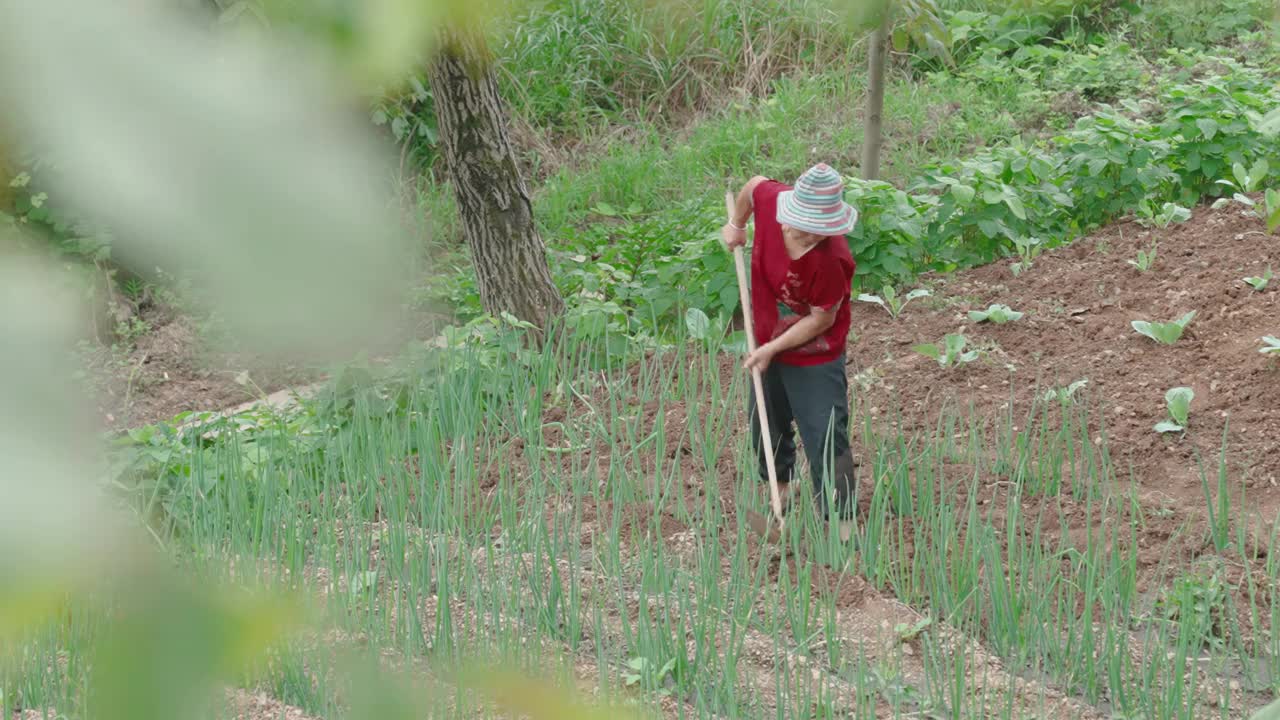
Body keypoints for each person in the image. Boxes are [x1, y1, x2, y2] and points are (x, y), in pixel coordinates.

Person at [721, 162, 860, 542]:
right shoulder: (772, 201)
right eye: (811, 228)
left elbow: (821, 320)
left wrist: (772, 348)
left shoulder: (833, 258)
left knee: (826, 433)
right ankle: (781, 493)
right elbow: (752, 185)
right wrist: (736, 225)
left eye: (825, 229)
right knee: (765, 418)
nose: (818, 236)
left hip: (816, 350)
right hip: (767, 333)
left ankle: (842, 526)